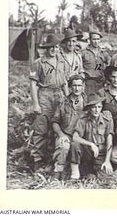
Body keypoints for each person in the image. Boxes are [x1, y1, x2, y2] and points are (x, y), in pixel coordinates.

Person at [29, 34, 69, 171]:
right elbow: (33, 84)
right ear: (46, 48)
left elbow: (64, 83)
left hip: (59, 95)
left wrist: (68, 99)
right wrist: (36, 104)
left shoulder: (62, 61)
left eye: (56, 47)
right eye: (51, 47)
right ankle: (37, 160)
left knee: (57, 126)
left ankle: (53, 159)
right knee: (41, 128)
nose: (54, 50)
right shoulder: (39, 62)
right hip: (45, 95)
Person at [70, 93, 114, 179]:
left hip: (100, 153)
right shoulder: (83, 120)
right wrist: (91, 144)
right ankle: (75, 173)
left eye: (99, 107)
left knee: (105, 177)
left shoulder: (107, 120)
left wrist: (107, 161)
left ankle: (90, 171)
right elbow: (75, 137)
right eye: (94, 107)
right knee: (75, 145)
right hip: (87, 152)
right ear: (89, 109)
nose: (96, 110)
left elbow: (109, 141)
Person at [51, 75, 87, 180]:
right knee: (64, 145)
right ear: (70, 87)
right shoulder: (63, 102)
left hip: (81, 135)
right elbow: (55, 122)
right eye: (74, 85)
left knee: (79, 146)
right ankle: (58, 170)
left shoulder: (87, 100)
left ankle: (79, 172)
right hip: (66, 133)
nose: (77, 88)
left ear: (83, 86)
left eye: (79, 85)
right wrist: (61, 135)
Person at [81, 29, 111, 95]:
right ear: (90, 40)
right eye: (94, 39)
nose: (96, 41)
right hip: (88, 83)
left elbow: (110, 63)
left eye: (98, 39)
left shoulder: (103, 53)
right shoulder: (83, 52)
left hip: (101, 83)